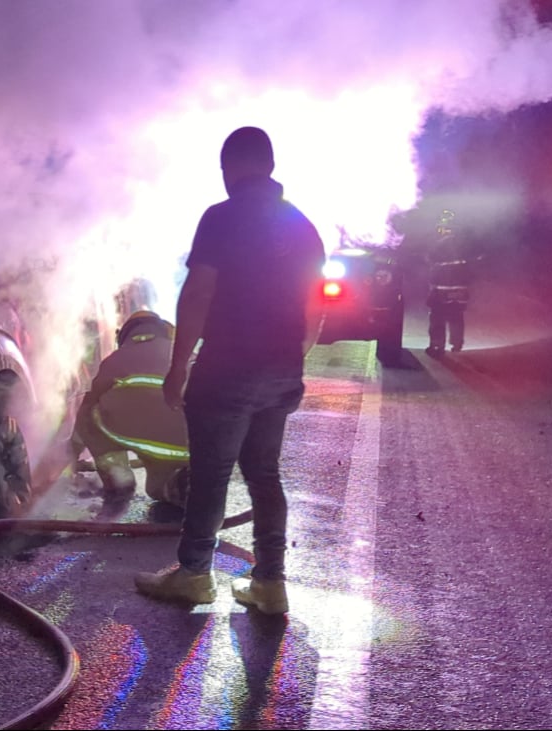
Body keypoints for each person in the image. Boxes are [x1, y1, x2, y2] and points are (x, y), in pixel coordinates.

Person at [134, 126, 325, 614]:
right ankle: (269, 583)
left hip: (227, 367)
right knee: (264, 473)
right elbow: (315, 308)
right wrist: (289, 360)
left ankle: (195, 574)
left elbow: (198, 294)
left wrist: (177, 367)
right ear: (271, 166)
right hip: (281, 367)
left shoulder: (221, 218)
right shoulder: (302, 226)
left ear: (229, 168)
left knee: (212, 473)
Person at [70, 310, 190, 506]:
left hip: (141, 438)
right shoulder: (184, 354)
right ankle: (179, 484)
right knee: (156, 488)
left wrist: (71, 454)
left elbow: (87, 408)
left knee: (89, 413)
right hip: (187, 445)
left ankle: (118, 478)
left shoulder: (116, 359)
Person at [424, 210, 473, 356]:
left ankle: (437, 346)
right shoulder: (465, 244)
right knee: (456, 316)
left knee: (437, 317)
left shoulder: (439, 244)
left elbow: (431, 259)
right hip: (461, 290)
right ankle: (457, 344)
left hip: (442, 289)